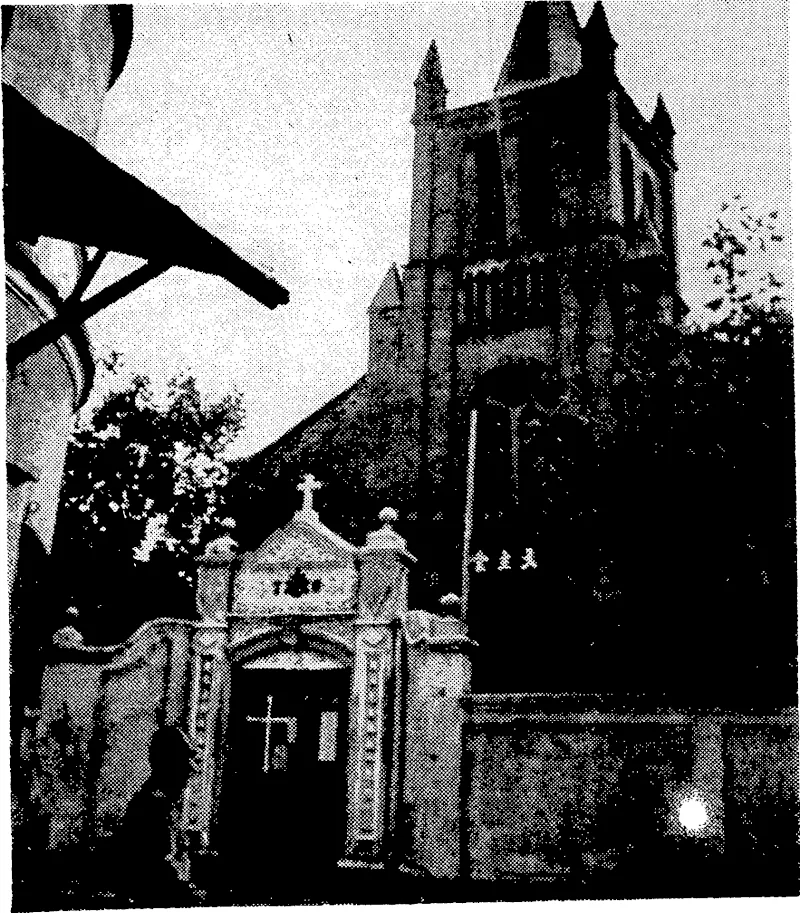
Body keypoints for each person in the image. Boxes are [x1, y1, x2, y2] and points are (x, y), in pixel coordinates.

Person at [111, 725, 199, 907]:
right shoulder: (153, 805)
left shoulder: (161, 802)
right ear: (168, 767)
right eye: (182, 767)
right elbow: (157, 868)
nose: (187, 777)